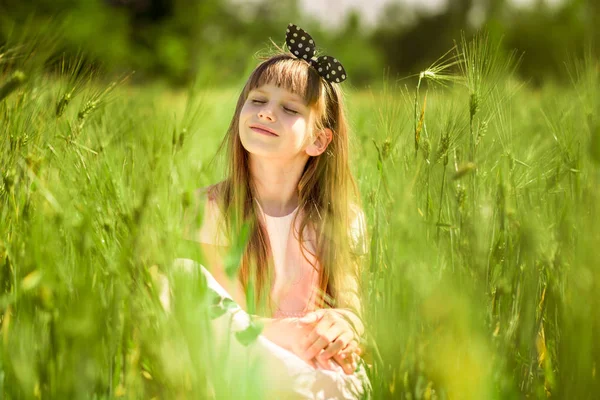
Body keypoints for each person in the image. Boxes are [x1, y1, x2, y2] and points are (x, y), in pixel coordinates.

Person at [182, 24, 372, 398]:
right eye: (257, 101)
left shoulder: (341, 219)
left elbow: (352, 307)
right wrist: (282, 333)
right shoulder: (210, 208)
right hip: (247, 360)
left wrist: (345, 324)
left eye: (289, 108)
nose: (267, 113)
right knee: (182, 275)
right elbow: (227, 321)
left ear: (319, 140)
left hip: (315, 364)